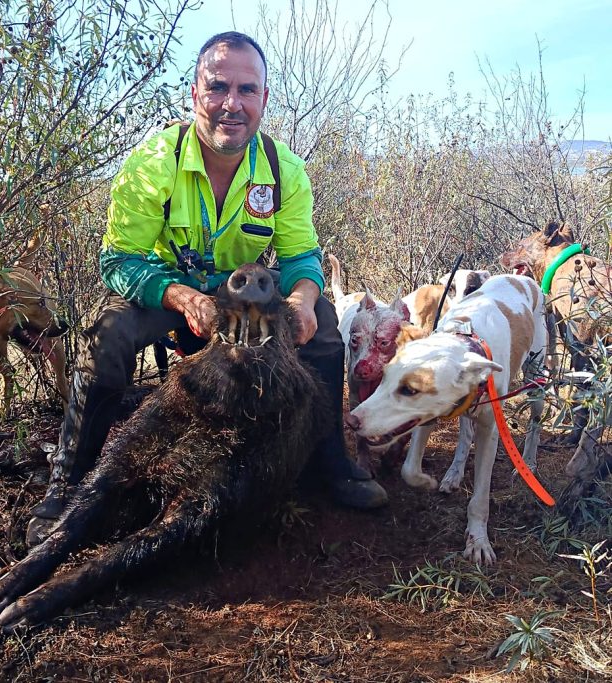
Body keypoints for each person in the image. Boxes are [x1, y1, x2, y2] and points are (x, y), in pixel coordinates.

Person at [30, 31, 387, 531]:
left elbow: (301, 256)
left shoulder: (284, 170)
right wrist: (181, 296)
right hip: (165, 288)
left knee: (325, 326)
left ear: (264, 98)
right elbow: (118, 260)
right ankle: (69, 485)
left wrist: (304, 299)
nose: (232, 104)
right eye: (218, 87)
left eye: (247, 90)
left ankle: (329, 462)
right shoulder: (152, 163)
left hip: (241, 289)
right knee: (109, 336)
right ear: (195, 93)